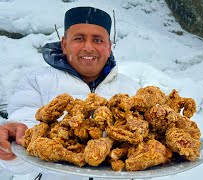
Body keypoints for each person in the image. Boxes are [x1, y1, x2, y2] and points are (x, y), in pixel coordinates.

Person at [0, 6, 139, 179]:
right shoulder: (37, 81)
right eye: (79, 38)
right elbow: (25, 140)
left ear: (109, 47)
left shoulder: (130, 89)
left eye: (97, 40)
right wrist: (12, 147)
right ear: (64, 44)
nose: (88, 47)